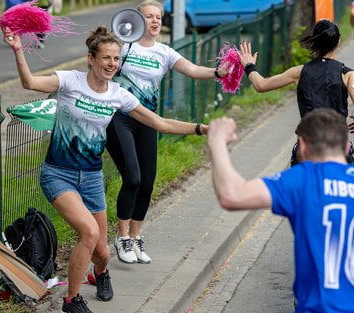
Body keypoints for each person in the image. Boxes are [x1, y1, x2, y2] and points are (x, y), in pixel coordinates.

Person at [2, 25, 208, 313]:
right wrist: (18, 50)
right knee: (89, 233)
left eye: (116, 58)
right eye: (106, 58)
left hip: (92, 178)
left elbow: (160, 123)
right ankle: (72, 301)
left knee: (102, 252)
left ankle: (99, 272)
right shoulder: (69, 81)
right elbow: (29, 83)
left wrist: (201, 129)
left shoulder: (118, 95)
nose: (112, 64)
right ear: (91, 58)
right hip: (58, 173)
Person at [106, 0, 228, 264]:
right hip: (120, 118)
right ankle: (122, 236)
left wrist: (220, 72)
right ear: (138, 20)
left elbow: (193, 70)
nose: (154, 21)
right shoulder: (124, 47)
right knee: (133, 177)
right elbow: (104, 67)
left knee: (148, 181)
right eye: (149, 16)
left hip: (149, 120)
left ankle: (136, 238)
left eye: (158, 17)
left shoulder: (164, 52)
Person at [208, 108, 354, 313]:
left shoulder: (305, 179)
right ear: (346, 146)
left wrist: (216, 141)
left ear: (302, 146)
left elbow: (232, 195)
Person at [237, 19, 354, 166]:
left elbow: (261, 85)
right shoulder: (348, 75)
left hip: (307, 148)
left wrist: (249, 66)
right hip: (338, 147)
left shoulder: (299, 72)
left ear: (314, 43)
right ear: (338, 43)